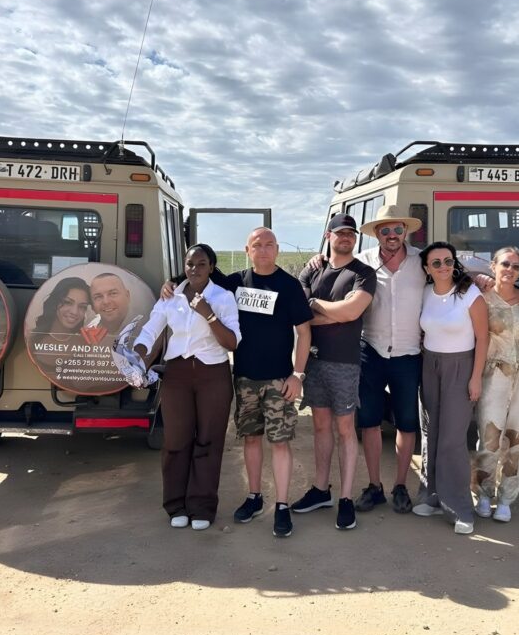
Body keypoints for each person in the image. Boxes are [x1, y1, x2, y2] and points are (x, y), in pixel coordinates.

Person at [126, 245, 241, 531]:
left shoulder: (222, 297)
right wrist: (137, 353)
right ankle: (176, 505)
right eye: (190, 264)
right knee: (175, 441)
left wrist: (208, 314)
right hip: (177, 375)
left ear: (211, 267)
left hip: (213, 374)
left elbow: (232, 342)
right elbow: (152, 329)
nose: (194, 269)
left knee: (208, 440)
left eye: (201, 264)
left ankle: (202, 506)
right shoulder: (171, 296)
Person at [224, 227, 313, 538]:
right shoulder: (234, 282)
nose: (263, 250)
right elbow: (199, 283)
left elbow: (304, 333)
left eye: (269, 245)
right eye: (257, 245)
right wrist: (171, 285)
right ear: (248, 250)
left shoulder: (289, 286)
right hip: (245, 378)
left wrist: (298, 375)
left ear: (277, 250)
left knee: (280, 443)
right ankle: (254, 497)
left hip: (279, 380)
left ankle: (283, 506)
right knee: (250, 440)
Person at [292, 214, 376, 531]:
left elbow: (353, 311)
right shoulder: (313, 269)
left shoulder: (363, 273)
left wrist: (316, 303)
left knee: (345, 430)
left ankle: (344, 499)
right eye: (340, 233)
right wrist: (334, 314)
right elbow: (299, 313)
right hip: (314, 362)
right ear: (329, 236)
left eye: (351, 234)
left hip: (345, 362)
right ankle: (321, 490)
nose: (346, 238)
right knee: (321, 428)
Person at [353, 204, 425, 515]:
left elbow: (458, 270)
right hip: (371, 350)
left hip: (409, 354)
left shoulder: (423, 260)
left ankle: (399, 485)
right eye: (385, 230)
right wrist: (316, 261)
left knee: (407, 423)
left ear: (405, 231)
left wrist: (481, 279)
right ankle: (373, 486)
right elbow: (333, 271)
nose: (392, 235)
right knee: (369, 422)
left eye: (397, 229)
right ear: (377, 234)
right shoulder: (362, 261)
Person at [413, 241, 488, 535]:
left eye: (448, 261)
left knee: (453, 439)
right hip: (430, 365)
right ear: (426, 269)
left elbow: (482, 338)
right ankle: (431, 496)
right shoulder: (426, 293)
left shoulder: (470, 294)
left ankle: (460, 508)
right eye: (436, 263)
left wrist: (476, 377)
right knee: (430, 433)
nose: (443, 267)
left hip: (461, 366)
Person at [472, 247, 519, 524]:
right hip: (493, 373)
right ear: (493, 266)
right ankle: (484, 493)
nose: (510, 270)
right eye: (505, 264)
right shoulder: (480, 298)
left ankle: (507, 498)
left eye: (516, 266)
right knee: (489, 437)